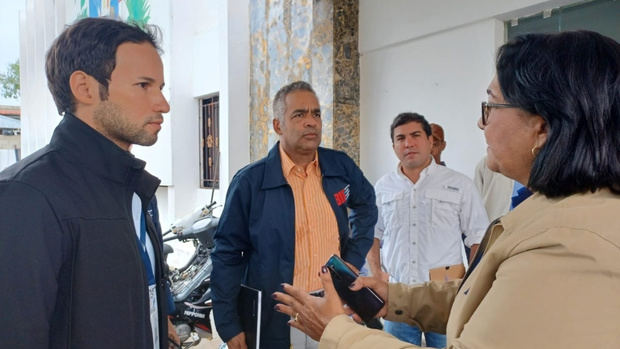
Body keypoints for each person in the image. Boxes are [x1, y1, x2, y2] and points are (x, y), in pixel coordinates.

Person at [273, 30, 620, 348]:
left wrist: (335, 330)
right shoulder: (548, 212)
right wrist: (394, 295)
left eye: (491, 107)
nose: (480, 123)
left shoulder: (567, 243)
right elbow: (490, 295)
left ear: (541, 128)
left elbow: (475, 243)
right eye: (299, 116)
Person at [0, 17, 179, 348]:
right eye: (144, 85)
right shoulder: (27, 195)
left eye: (161, 88)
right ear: (84, 88)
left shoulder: (136, 189)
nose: (162, 104)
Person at [211, 81, 377, 349]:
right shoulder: (250, 182)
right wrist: (229, 324)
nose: (311, 122)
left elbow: (366, 205)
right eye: (299, 115)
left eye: (316, 114)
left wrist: (353, 260)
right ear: (278, 126)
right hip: (278, 313)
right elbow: (226, 255)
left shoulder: (340, 166)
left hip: (333, 305)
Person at [366, 113, 488, 348]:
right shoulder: (383, 187)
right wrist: (376, 273)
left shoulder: (459, 184)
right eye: (400, 138)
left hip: (443, 300)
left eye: (415, 136)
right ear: (393, 146)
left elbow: (479, 237)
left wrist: (472, 286)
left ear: (431, 141)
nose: (408, 143)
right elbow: (373, 235)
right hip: (397, 297)